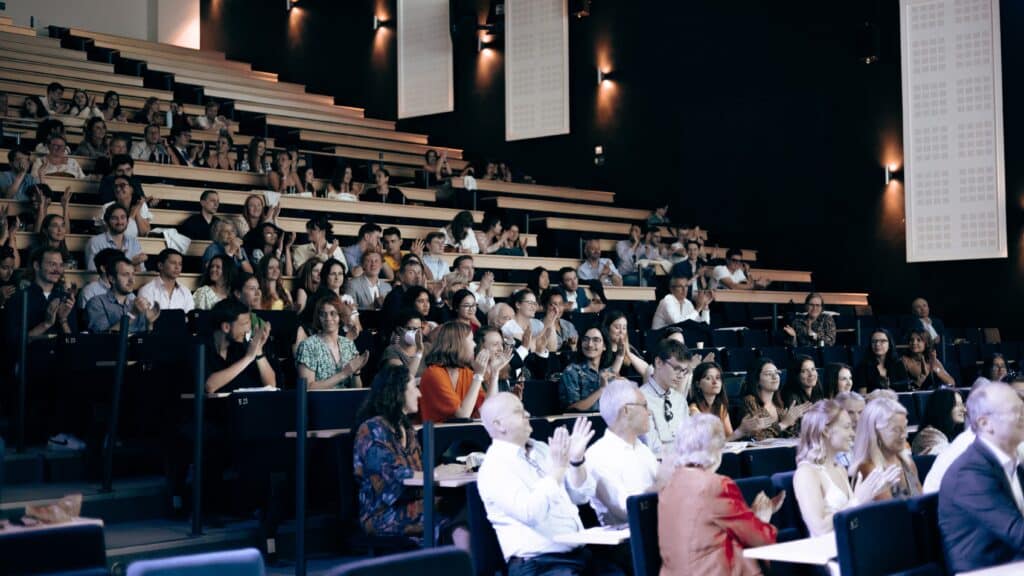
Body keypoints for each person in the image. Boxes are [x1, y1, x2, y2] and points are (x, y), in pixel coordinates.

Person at [476, 393, 602, 576]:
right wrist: (558, 468)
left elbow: (580, 496)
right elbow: (531, 512)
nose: (527, 413)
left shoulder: (542, 449)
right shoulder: (494, 468)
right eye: (518, 411)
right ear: (499, 425)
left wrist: (576, 461)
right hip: (539, 564)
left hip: (579, 555)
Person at [658, 414, 781, 576]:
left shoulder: (670, 484)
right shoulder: (715, 485)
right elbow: (758, 538)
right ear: (717, 448)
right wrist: (760, 518)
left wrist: (750, 517)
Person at [938, 382, 1024, 574]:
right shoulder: (970, 473)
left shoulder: (1012, 464)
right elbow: (1017, 533)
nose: (1023, 415)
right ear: (985, 423)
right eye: (1016, 411)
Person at [793, 400, 901, 536]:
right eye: (847, 427)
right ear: (826, 431)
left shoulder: (840, 468)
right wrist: (858, 501)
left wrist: (872, 494)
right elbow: (819, 529)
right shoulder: (806, 473)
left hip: (853, 544)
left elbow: (852, 519)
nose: (853, 434)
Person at [352, 365, 428, 536]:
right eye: (414, 387)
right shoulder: (371, 429)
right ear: (398, 391)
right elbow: (393, 475)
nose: (419, 394)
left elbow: (419, 476)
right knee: (451, 514)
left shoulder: (409, 431)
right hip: (382, 514)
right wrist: (436, 474)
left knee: (462, 505)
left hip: (412, 504)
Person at [586, 379, 659, 529]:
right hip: (629, 541)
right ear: (626, 411)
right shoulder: (598, 456)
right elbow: (626, 510)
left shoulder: (641, 448)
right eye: (644, 406)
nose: (649, 411)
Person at [418, 321, 509, 422]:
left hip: (463, 434)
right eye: (471, 340)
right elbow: (462, 415)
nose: (475, 345)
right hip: (436, 435)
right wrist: (478, 375)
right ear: (458, 344)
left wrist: (494, 373)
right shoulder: (434, 373)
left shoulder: (466, 373)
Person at [849, 397, 921, 500]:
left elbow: (922, 501)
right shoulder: (868, 468)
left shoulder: (906, 462)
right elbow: (890, 512)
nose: (904, 435)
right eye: (896, 430)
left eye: (904, 427)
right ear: (875, 432)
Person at [204, 298, 276, 393]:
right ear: (226, 327)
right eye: (244, 323)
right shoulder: (201, 347)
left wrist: (258, 351)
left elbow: (270, 386)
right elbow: (210, 386)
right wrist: (248, 357)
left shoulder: (241, 347)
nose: (248, 329)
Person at [296, 295, 368, 389]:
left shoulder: (348, 344)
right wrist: (344, 373)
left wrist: (356, 372)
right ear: (318, 318)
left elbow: (356, 389)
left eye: (333, 313)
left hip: (347, 401)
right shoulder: (308, 346)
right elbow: (307, 388)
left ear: (340, 316)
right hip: (321, 402)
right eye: (323, 314)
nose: (328, 318)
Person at [689, 361, 771, 442]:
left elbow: (730, 439)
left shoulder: (720, 408)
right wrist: (741, 431)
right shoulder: (693, 411)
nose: (715, 382)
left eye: (718, 378)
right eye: (708, 378)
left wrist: (747, 431)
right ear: (697, 384)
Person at [640, 340, 692, 453]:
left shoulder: (680, 400)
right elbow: (652, 447)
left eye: (684, 371)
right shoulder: (640, 399)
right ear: (658, 362)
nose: (681, 376)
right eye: (677, 369)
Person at [738, 358, 809, 441]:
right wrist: (784, 423)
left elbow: (789, 437)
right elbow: (759, 437)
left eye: (776, 373)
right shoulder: (750, 401)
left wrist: (792, 422)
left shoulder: (779, 405)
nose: (775, 377)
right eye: (768, 374)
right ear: (757, 380)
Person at [86, 255, 160, 333]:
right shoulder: (97, 303)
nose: (132, 280)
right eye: (125, 275)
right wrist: (132, 314)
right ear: (112, 279)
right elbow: (103, 338)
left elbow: (145, 340)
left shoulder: (135, 304)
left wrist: (149, 322)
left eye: (133, 274)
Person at [560, 327, 618, 413]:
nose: (590, 344)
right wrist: (602, 389)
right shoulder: (572, 371)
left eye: (596, 340)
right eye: (585, 340)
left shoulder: (608, 372)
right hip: (581, 423)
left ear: (604, 346)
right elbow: (572, 410)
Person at [85, 204, 146, 272]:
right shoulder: (95, 242)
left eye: (123, 217)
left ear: (128, 221)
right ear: (107, 222)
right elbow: (93, 273)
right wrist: (131, 263)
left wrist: (137, 264)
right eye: (114, 218)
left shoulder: (134, 242)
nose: (119, 222)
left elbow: (141, 273)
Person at [912, 388, 966, 456]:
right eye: (957, 405)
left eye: (962, 405)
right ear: (944, 407)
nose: (964, 409)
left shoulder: (953, 432)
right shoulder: (928, 436)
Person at [136, 248, 193, 312]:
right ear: (160, 266)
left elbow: (190, 318)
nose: (177, 267)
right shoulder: (147, 291)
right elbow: (145, 320)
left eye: (180, 264)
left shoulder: (186, 292)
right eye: (173, 263)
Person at [854, 329, 908, 393]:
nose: (877, 344)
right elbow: (862, 395)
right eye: (874, 341)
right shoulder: (862, 367)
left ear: (889, 345)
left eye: (883, 341)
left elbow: (905, 390)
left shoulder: (898, 364)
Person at [380, 308, 427, 377]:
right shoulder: (391, 351)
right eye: (411, 329)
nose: (416, 333)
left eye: (418, 329)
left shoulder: (426, 347)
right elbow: (404, 379)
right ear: (399, 330)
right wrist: (419, 353)